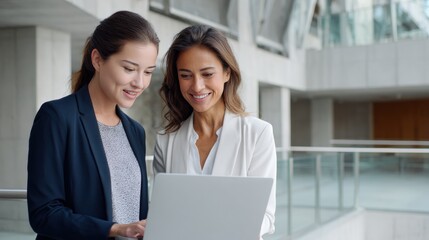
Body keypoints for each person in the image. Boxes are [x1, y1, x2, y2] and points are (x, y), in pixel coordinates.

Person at [27, 11, 159, 239]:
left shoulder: (135, 131)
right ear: (97, 59)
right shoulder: (57, 117)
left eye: (148, 72)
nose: (140, 83)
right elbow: (44, 213)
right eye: (129, 69)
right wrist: (114, 229)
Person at [153, 24, 277, 239]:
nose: (197, 86)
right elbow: (162, 212)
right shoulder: (166, 140)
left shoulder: (258, 134)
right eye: (185, 75)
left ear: (227, 73)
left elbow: (265, 216)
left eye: (207, 73)